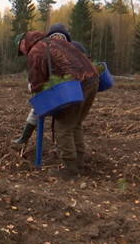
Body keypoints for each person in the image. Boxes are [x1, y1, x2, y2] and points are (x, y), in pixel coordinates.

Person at [17, 24, 100, 178]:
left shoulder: (37, 50)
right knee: (75, 125)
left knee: (63, 127)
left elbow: (37, 80)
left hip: (76, 84)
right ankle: (79, 165)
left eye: (21, 50)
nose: (24, 53)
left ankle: (70, 169)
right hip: (93, 80)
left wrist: (35, 89)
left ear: (24, 43)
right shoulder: (55, 43)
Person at [11, 24, 90, 145]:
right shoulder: (46, 48)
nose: (57, 40)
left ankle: (63, 148)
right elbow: (39, 71)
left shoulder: (73, 48)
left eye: (60, 37)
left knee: (66, 122)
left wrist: (35, 87)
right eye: (55, 37)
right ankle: (25, 137)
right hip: (56, 85)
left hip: (72, 87)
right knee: (37, 110)